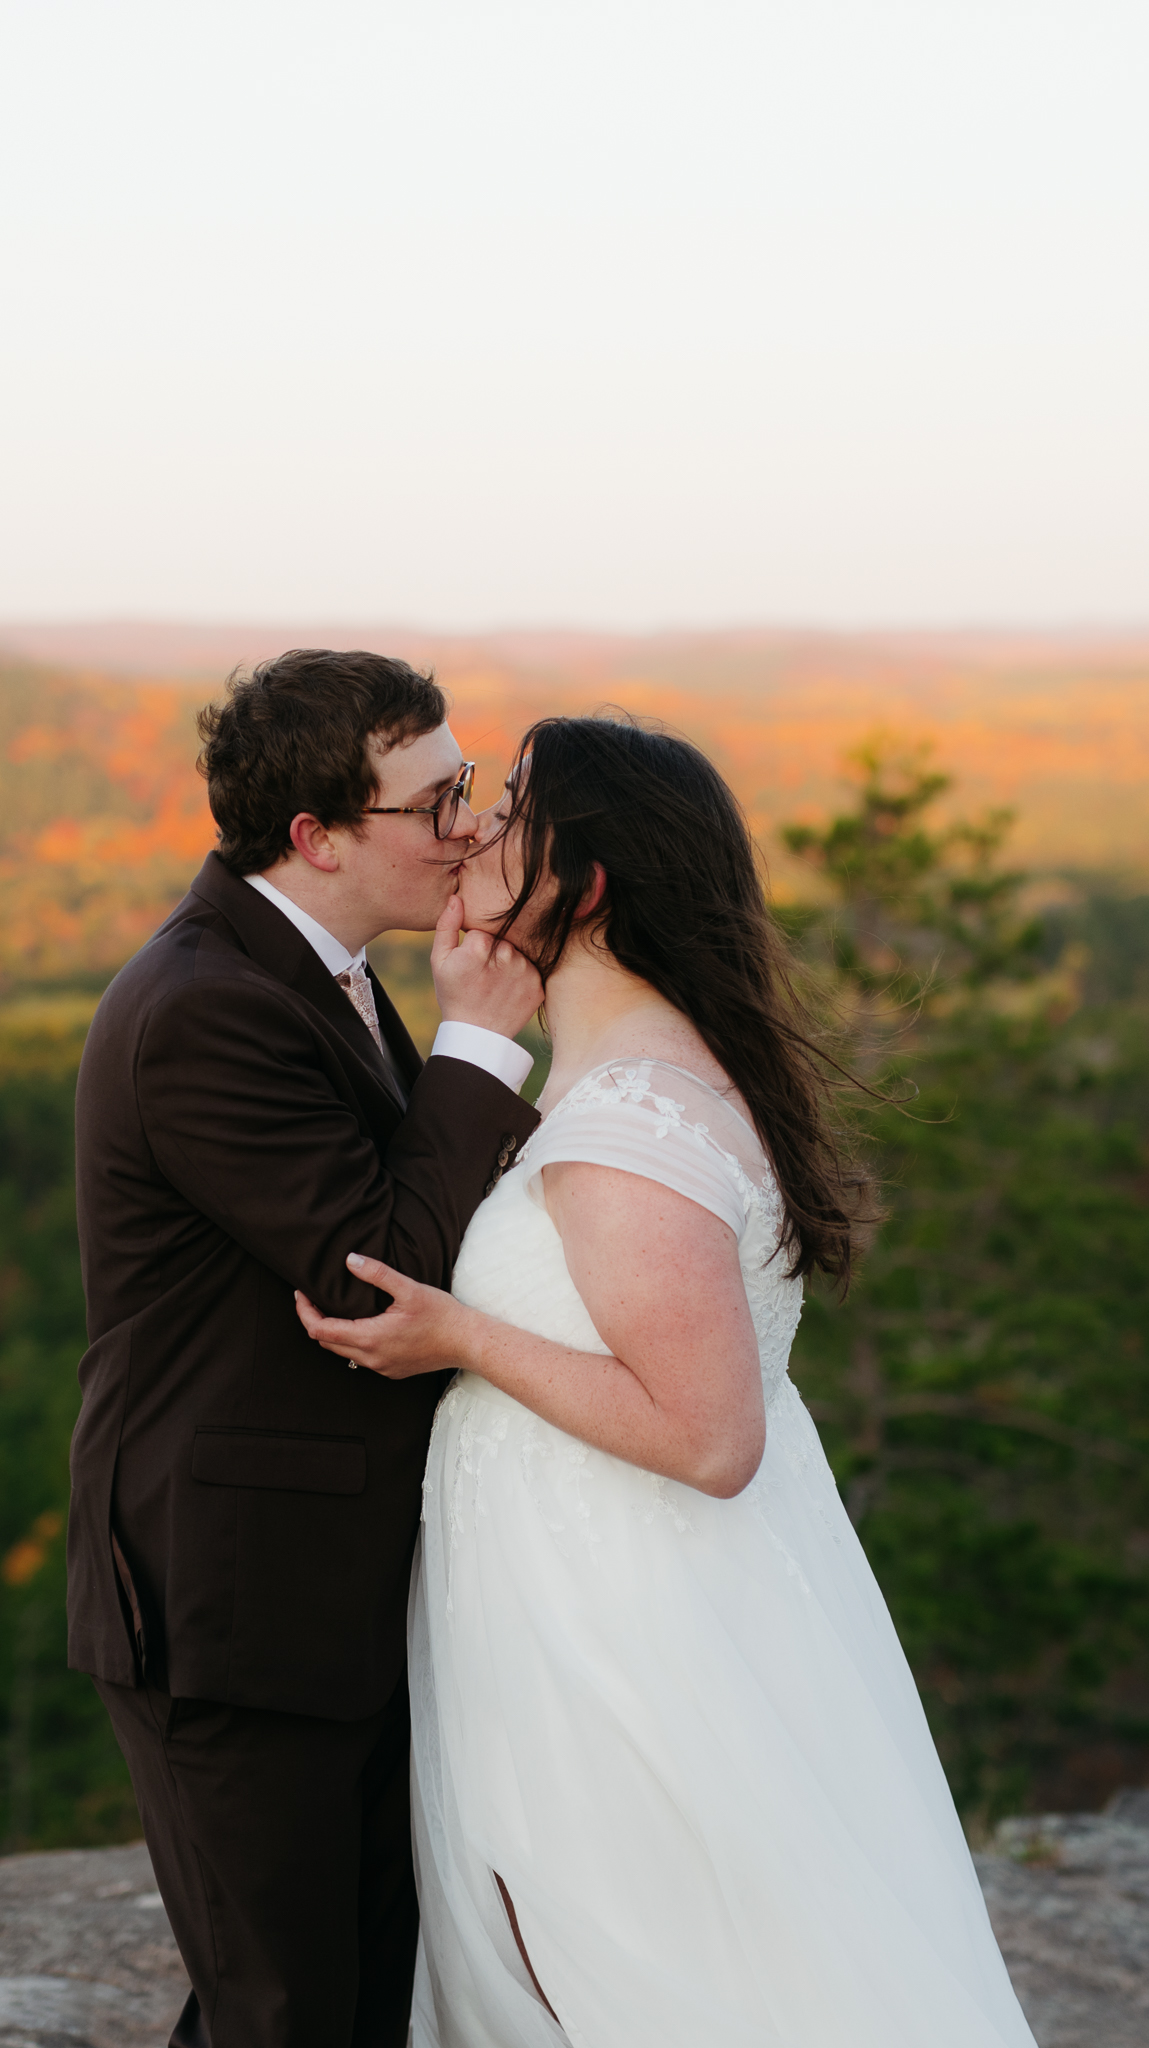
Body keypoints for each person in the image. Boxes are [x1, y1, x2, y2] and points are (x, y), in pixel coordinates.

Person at [297, 714, 1039, 2048]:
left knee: (647, 1972)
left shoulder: (624, 1129)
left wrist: (459, 1336)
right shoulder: (620, 1077)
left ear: (582, 885)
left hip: (624, 1628)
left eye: (510, 809)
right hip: (602, 1595)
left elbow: (707, 1437)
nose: (470, 828)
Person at [67, 649, 543, 2048]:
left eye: (466, 786)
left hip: (327, 1594)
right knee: (286, 2010)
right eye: (435, 801)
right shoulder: (204, 1010)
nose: (467, 825)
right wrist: (477, 1043)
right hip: (234, 1609)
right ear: (317, 838)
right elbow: (373, 1269)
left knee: (343, 1994)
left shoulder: (312, 969)